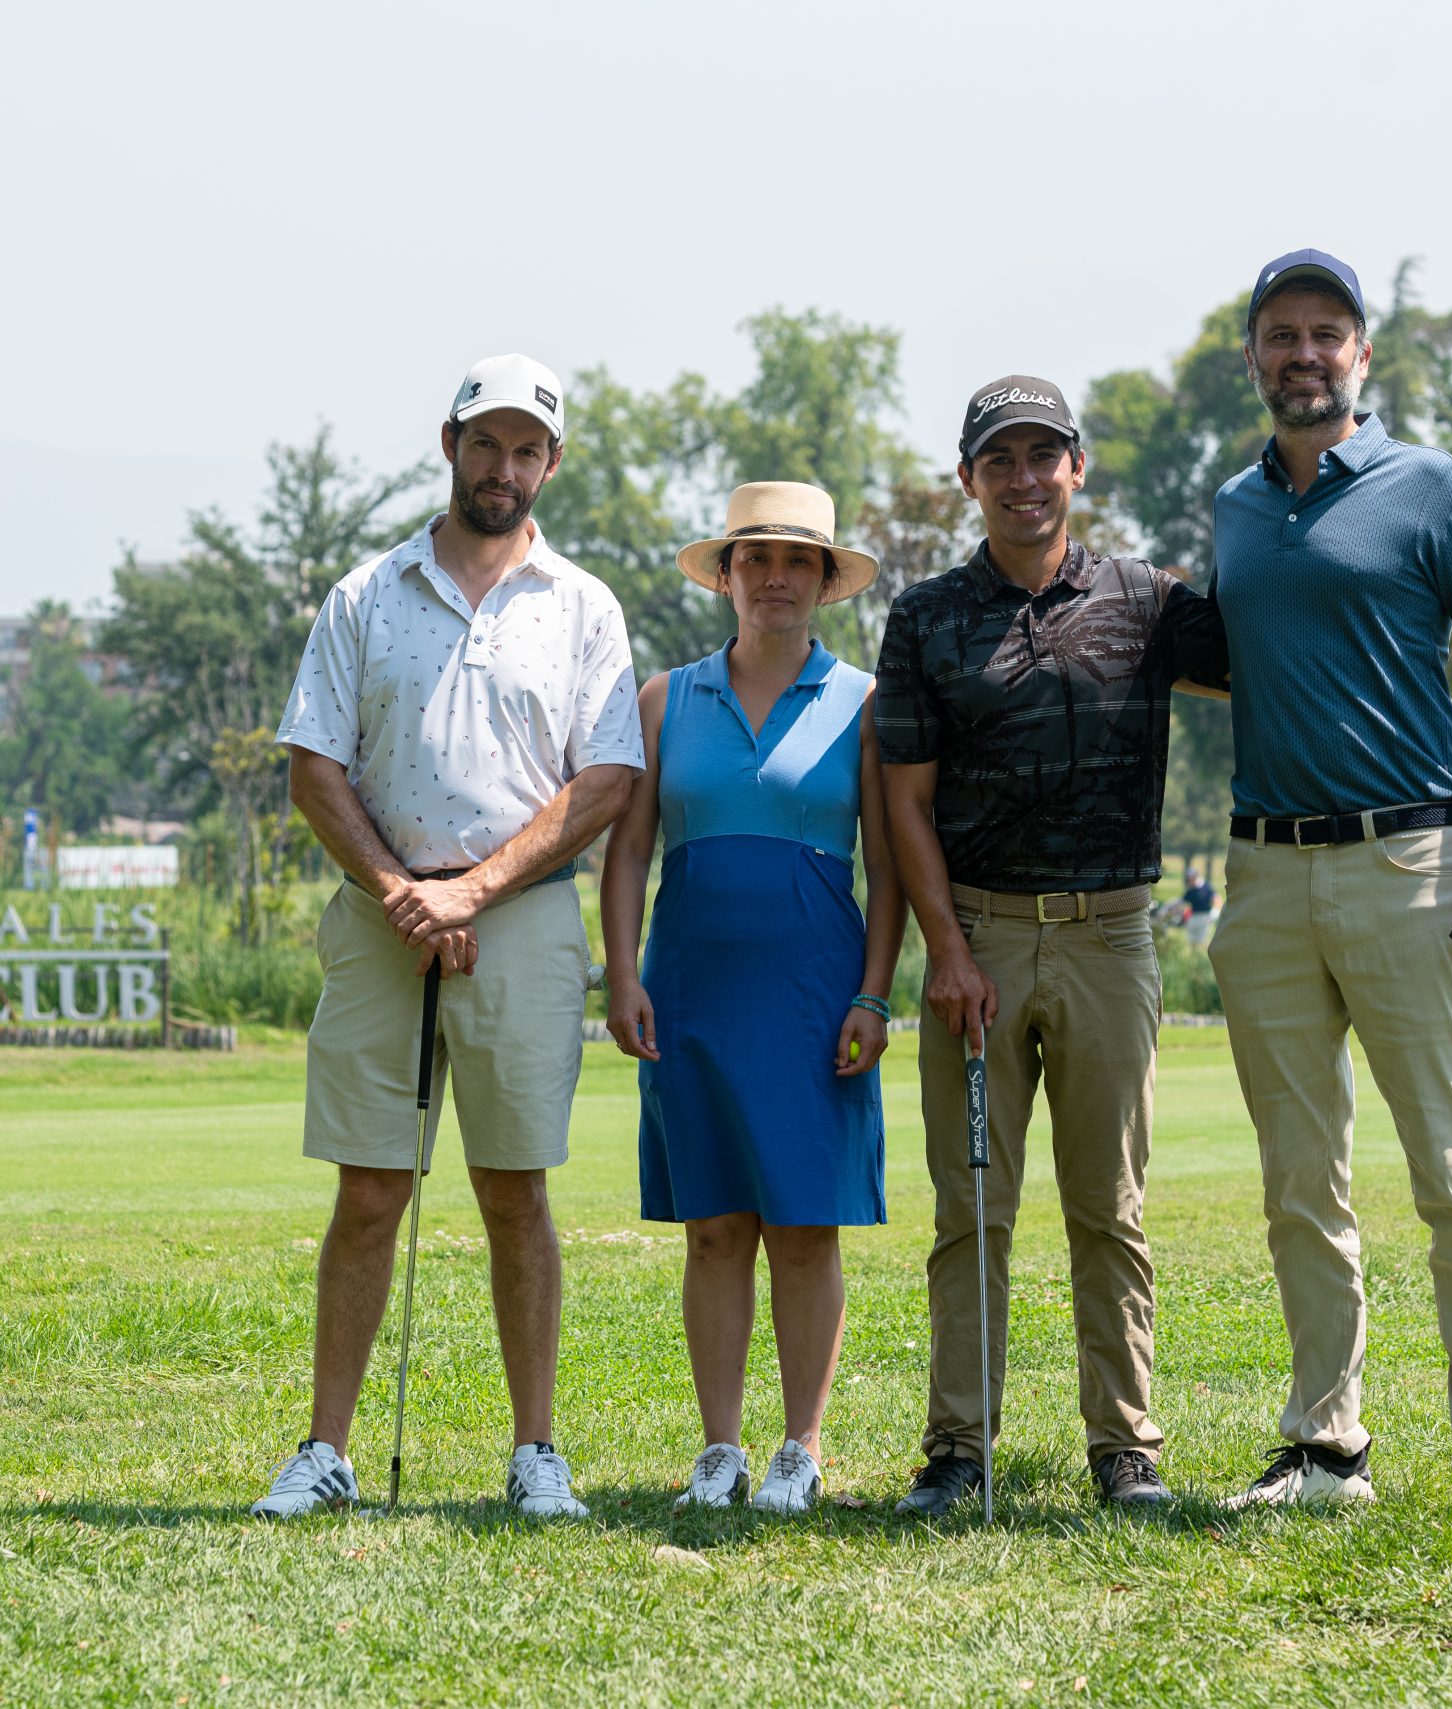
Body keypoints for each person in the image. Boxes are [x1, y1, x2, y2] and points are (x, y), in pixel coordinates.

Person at [251, 354, 643, 1519]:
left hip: (520, 920)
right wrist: (401, 893)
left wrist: (470, 892)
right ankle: (325, 1449)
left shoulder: (583, 605)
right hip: (383, 919)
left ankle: (536, 1453)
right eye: (486, 444)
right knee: (371, 1188)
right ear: (449, 445)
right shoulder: (365, 594)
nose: (502, 467)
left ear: (551, 464)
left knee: (514, 1190)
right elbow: (313, 766)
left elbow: (606, 777)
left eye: (526, 449)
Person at [1204, 250, 1452, 1533]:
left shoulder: (1429, 485)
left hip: (1412, 866)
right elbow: (1246, 658)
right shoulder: (1235, 507)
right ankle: (1326, 1443)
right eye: (1281, 333)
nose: (1304, 352)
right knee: (1300, 1182)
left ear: (1361, 354)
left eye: (1326, 332)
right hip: (1263, 872)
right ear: (1253, 355)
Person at [875, 377, 1229, 1516]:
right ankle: (957, 1448)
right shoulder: (925, 617)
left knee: (1108, 1203)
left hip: (1112, 936)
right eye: (1000, 459)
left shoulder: (1150, 600)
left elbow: (1276, 652)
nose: (1023, 479)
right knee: (971, 1207)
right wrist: (946, 950)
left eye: (1044, 455)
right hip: (977, 937)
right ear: (967, 478)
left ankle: (1125, 1445)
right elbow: (905, 803)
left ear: (1079, 466)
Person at [600, 482, 905, 1515]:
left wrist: (874, 995)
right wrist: (623, 971)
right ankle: (720, 1447)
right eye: (756, 558)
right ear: (724, 575)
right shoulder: (664, 698)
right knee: (714, 1225)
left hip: (818, 992)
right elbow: (629, 849)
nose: (776, 577)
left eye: (798, 560)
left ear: (824, 580)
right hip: (691, 988)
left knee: (805, 1222)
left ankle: (800, 1447)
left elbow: (890, 868)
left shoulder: (864, 701)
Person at [1179, 865, 1218, 948]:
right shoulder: (1190, 890)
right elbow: (1183, 902)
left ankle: (1202, 953)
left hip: (1205, 915)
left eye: (1191, 877)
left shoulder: (1206, 886)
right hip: (1194, 916)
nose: (1189, 879)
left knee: (1202, 938)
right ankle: (1194, 953)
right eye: (1189, 878)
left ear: (1196, 876)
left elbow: (1215, 898)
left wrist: (1215, 910)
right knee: (1192, 938)